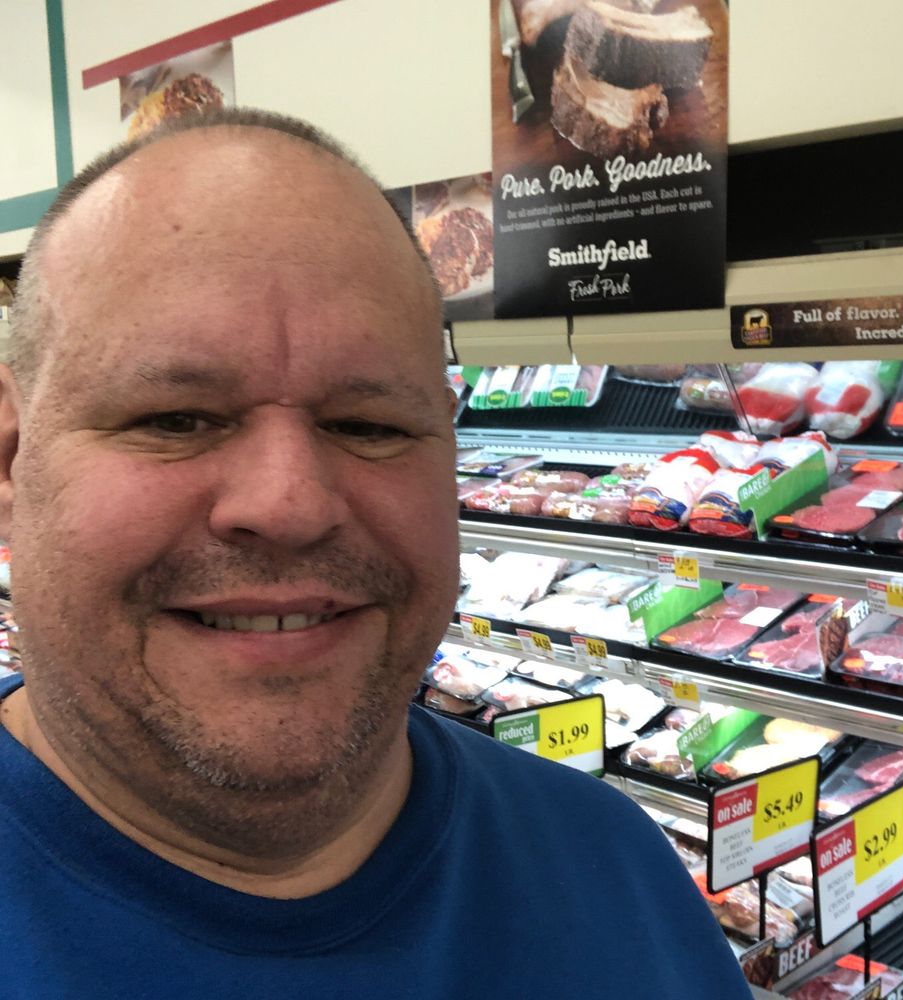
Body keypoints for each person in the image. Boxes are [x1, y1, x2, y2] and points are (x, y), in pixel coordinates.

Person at [0, 108, 751, 999]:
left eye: (369, 424)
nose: (289, 505)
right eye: (175, 419)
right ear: (10, 461)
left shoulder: (617, 870)